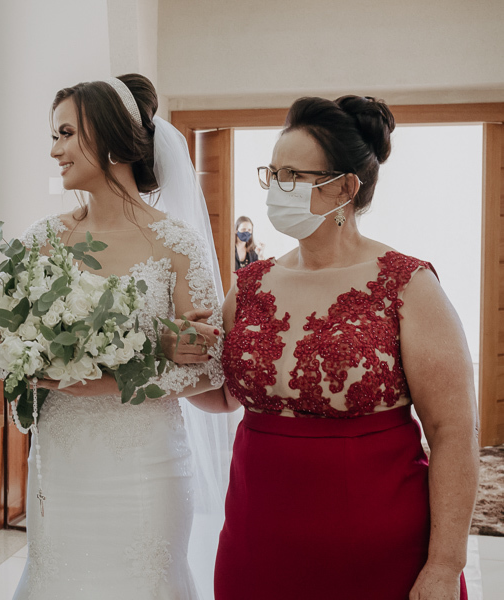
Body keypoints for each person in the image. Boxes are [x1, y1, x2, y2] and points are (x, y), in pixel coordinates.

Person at [0, 74, 234, 599]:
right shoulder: (43, 238)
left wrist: (132, 367)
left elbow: (208, 370)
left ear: (108, 137)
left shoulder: (176, 244)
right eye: (54, 136)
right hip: (61, 465)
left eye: (65, 134)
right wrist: (5, 335)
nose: (54, 150)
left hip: (146, 467)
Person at [203, 96, 478, 599]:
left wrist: (444, 564)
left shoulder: (407, 284)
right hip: (256, 538)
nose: (276, 189)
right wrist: (178, 361)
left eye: (294, 176)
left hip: (379, 549)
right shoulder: (252, 284)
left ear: (345, 188)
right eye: (272, 174)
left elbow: (453, 432)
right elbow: (222, 396)